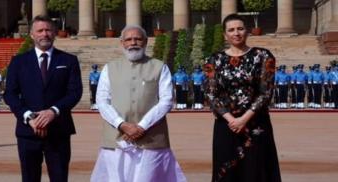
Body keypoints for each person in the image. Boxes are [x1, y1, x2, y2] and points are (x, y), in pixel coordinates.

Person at [90, 25, 186, 182]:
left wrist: (142, 126)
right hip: (117, 138)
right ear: (122, 43)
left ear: (146, 41)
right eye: (128, 39)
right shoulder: (110, 68)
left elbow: (166, 100)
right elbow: (102, 101)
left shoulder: (159, 67)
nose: (133, 42)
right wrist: (121, 124)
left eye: (138, 39)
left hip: (151, 139)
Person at [3, 15, 83, 182]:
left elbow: (75, 92)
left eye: (48, 30)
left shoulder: (69, 60)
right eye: (40, 30)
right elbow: (10, 94)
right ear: (32, 34)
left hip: (59, 129)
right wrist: (29, 117)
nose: (44, 34)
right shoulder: (18, 62)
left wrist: (53, 111)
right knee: (29, 178)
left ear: (54, 33)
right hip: (28, 131)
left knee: (60, 177)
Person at [204, 14, 281, 182]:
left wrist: (243, 119)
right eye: (231, 30)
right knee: (228, 172)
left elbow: (266, 92)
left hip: (256, 124)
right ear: (225, 34)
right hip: (226, 125)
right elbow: (211, 93)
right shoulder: (214, 60)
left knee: (257, 169)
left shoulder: (263, 56)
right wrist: (231, 119)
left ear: (247, 31)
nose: (236, 33)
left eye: (240, 28)